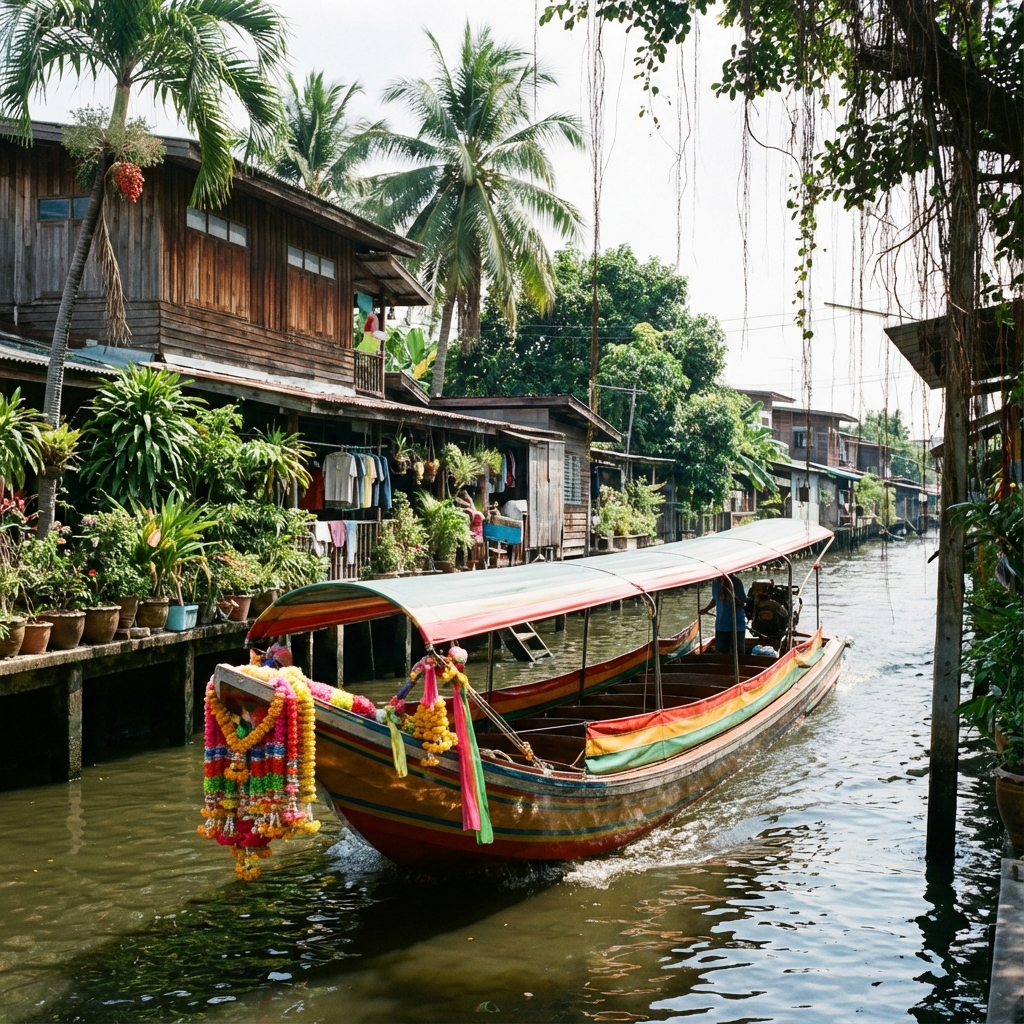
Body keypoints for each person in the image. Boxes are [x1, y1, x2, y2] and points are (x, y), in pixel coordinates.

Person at [701, 574, 747, 654]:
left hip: (736, 625)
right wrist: (706, 609)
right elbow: (716, 598)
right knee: (720, 653)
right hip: (721, 625)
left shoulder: (736, 582)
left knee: (738, 653)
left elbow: (743, 604)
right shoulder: (715, 582)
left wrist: (732, 595)